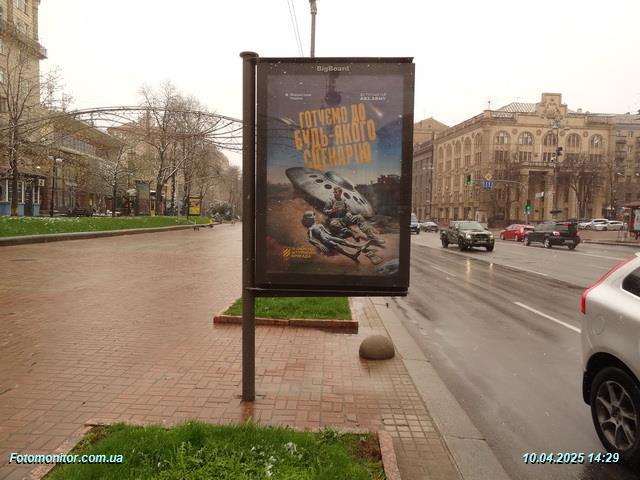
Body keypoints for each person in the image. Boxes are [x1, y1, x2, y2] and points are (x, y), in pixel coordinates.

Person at [302, 211, 370, 262]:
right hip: (325, 240)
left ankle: (358, 247)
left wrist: (335, 236)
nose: (314, 217)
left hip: (329, 237)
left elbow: (328, 232)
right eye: (312, 216)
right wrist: (319, 244)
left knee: (342, 241)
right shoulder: (311, 229)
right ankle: (352, 255)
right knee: (337, 246)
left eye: (314, 215)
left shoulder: (319, 225)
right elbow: (310, 239)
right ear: (309, 219)